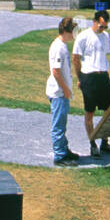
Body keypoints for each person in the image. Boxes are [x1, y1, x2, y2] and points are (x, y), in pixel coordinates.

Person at [72, 10, 110, 157]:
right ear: (94, 22)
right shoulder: (83, 37)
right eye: (101, 26)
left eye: (105, 27)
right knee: (89, 113)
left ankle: (104, 142)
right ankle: (92, 144)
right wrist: (80, 78)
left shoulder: (105, 36)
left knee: (109, 111)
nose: (103, 29)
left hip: (103, 77)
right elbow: (76, 59)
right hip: (89, 78)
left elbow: (104, 55)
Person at [46, 17, 80, 166]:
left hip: (62, 92)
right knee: (58, 125)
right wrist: (66, 90)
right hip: (59, 92)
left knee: (62, 123)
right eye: (73, 32)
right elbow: (56, 71)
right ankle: (59, 156)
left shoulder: (63, 45)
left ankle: (64, 149)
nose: (74, 35)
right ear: (66, 31)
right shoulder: (58, 47)